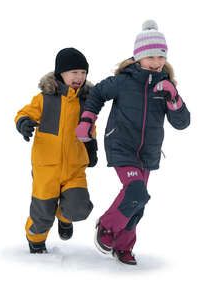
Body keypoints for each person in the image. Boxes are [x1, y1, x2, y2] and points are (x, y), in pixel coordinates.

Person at [76, 20, 190, 265]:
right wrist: (87, 119)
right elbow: (97, 94)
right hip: (121, 144)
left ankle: (123, 246)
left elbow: (182, 123)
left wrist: (173, 97)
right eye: (150, 56)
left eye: (161, 56)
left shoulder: (165, 85)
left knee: (138, 202)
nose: (156, 61)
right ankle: (106, 227)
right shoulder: (123, 81)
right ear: (138, 56)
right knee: (136, 192)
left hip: (147, 153)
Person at [15, 48, 97, 253]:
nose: (79, 77)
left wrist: (91, 147)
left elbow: (90, 128)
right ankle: (35, 239)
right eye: (74, 72)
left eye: (83, 73)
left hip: (74, 168)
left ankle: (65, 217)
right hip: (46, 167)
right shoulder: (45, 98)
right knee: (42, 212)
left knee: (79, 207)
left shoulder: (86, 102)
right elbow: (25, 113)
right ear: (61, 73)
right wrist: (24, 122)